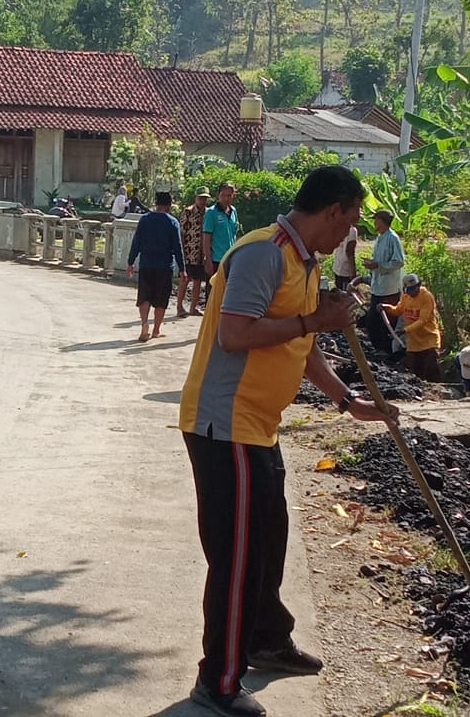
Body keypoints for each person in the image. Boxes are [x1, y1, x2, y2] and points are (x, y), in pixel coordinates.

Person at [179, 166, 399, 717]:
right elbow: (236, 335)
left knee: (269, 540)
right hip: (224, 426)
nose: (351, 235)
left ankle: (265, 639)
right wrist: (311, 322)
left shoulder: (304, 261)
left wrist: (349, 402)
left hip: (258, 426)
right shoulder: (264, 254)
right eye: (351, 223)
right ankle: (219, 680)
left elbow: (305, 350)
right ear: (334, 211)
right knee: (237, 556)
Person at [126, 191, 185, 342]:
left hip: (146, 264)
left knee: (145, 296)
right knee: (161, 299)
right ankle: (156, 330)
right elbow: (178, 247)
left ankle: (144, 323)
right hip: (164, 266)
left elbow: (136, 242)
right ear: (169, 205)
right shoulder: (172, 222)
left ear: (156, 204)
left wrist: (130, 262)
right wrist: (183, 269)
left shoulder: (145, 220)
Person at [381, 273, 442, 381]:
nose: (413, 292)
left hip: (429, 340)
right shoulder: (406, 297)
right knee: (415, 373)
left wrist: (404, 330)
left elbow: (422, 321)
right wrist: (386, 308)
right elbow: (398, 310)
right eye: (410, 290)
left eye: (415, 289)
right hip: (413, 342)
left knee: (432, 371)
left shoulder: (426, 297)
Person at [361, 210, 405, 352]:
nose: (374, 223)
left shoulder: (393, 238)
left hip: (389, 288)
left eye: (376, 220)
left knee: (386, 323)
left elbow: (399, 261)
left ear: (383, 221)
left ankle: (387, 352)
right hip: (378, 286)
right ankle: (378, 350)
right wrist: (372, 264)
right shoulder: (380, 238)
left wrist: (379, 265)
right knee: (373, 322)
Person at [175, 186, 211, 318]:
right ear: (196, 198)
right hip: (189, 252)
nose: (202, 201)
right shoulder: (188, 212)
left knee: (198, 281)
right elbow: (182, 232)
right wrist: (181, 252)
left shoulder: (209, 213)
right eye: (200, 198)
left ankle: (193, 307)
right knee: (185, 280)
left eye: (205, 199)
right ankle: (179, 306)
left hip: (202, 253)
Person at [201, 182, 239, 282]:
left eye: (229, 195)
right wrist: (208, 260)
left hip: (230, 259)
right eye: (223, 195)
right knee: (213, 293)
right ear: (218, 195)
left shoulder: (233, 211)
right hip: (216, 260)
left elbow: (234, 234)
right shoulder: (211, 212)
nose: (226, 198)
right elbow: (206, 238)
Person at [333, 224, 359, 291]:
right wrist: (353, 272)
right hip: (346, 269)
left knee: (339, 292)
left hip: (337, 266)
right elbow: (350, 252)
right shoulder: (352, 231)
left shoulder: (339, 227)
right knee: (346, 294)